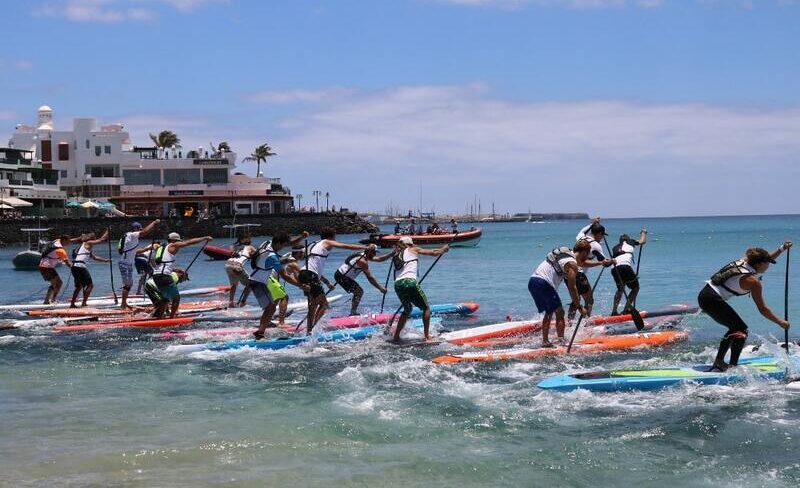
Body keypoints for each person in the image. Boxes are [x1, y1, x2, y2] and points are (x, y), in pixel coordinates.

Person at [698, 242, 792, 371]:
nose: (769, 265)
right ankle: (731, 366)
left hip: (705, 295)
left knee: (735, 328)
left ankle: (720, 362)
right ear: (759, 264)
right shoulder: (753, 282)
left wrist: (781, 249)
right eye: (767, 263)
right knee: (741, 330)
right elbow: (763, 309)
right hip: (712, 300)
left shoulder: (745, 261)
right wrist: (780, 322)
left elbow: (762, 258)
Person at [301, 228, 373, 333]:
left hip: (304, 274)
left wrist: (326, 282)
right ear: (331, 236)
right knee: (319, 304)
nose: (335, 239)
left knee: (317, 304)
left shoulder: (313, 244)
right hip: (310, 274)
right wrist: (366, 247)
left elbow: (304, 257)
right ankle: (309, 330)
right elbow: (346, 246)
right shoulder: (327, 241)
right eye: (335, 236)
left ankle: (310, 328)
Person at [528, 240, 591, 347]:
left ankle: (545, 341)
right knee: (560, 312)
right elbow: (572, 287)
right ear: (584, 252)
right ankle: (561, 341)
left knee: (550, 311)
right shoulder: (572, 264)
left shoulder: (566, 255)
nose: (587, 257)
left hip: (533, 282)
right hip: (544, 283)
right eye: (587, 254)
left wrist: (601, 263)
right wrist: (579, 306)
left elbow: (582, 263)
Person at [390, 236, 449, 342]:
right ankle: (427, 337)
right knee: (426, 308)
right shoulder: (413, 249)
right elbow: (433, 252)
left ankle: (396, 337)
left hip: (398, 284)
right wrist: (443, 249)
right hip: (410, 282)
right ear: (410, 244)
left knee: (407, 310)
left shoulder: (395, 255)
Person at [251, 232, 305, 340]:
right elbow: (285, 276)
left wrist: (302, 236)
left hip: (258, 279)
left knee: (271, 307)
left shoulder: (267, 243)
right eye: (283, 245)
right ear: (279, 243)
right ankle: (260, 333)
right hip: (258, 281)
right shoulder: (272, 257)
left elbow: (291, 243)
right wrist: (301, 285)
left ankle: (261, 331)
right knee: (271, 307)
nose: (284, 248)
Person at [151, 232, 213, 316]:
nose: (179, 244)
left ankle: (159, 318)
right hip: (164, 276)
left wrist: (175, 269)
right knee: (176, 298)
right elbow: (189, 242)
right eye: (178, 241)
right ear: (174, 240)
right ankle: (172, 318)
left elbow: (160, 263)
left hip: (156, 276)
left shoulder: (161, 248)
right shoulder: (173, 245)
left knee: (165, 299)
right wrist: (204, 238)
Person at [333, 245, 392, 316]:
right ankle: (353, 312)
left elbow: (379, 259)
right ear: (369, 252)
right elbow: (370, 278)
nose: (375, 254)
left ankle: (353, 311)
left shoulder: (363, 255)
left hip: (340, 275)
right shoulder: (362, 261)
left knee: (358, 291)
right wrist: (380, 288)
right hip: (342, 276)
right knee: (359, 292)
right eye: (374, 253)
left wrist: (391, 254)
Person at [573, 219, 613, 318]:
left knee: (576, 299)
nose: (603, 237)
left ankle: (570, 322)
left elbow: (584, 230)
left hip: (568, 271)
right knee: (589, 300)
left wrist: (593, 223)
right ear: (599, 234)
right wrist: (612, 261)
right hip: (579, 273)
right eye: (602, 235)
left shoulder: (581, 237)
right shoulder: (596, 246)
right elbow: (604, 262)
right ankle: (586, 322)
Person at [118, 220, 160, 309]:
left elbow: (135, 251)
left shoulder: (129, 237)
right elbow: (145, 232)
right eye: (139, 229)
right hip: (125, 263)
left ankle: (124, 303)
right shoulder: (132, 235)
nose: (140, 231)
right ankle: (123, 305)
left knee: (129, 284)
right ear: (135, 229)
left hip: (127, 263)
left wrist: (146, 249)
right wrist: (154, 223)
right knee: (127, 285)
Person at [69, 229, 111, 308]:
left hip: (74, 266)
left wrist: (105, 260)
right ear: (92, 239)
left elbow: (94, 257)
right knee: (90, 285)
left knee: (79, 286)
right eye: (95, 238)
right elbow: (101, 240)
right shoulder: (88, 243)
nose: (95, 240)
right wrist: (107, 231)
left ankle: (72, 304)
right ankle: (84, 303)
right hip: (80, 266)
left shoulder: (84, 246)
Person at [610, 229, 647, 315]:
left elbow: (621, 260)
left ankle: (614, 311)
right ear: (627, 239)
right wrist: (643, 233)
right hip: (625, 267)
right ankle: (626, 310)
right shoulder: (630, 241)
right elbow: (642, 241)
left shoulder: (615, 248)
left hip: (614, 268)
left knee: (620, 289)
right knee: (635, 288)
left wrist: (633, 276)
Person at [38, 235, 75, 304]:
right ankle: (50, 300)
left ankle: (49, 300)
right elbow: (68, 263)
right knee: (57, 284)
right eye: (68, 242)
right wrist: (75, 268)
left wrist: (79, 238)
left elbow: (70, 240)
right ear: (64, 240)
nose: (69, 244)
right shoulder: (61, 250)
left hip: (44, 266)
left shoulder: (57, 241)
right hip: (46, 267)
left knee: (57, 283)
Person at [276, 245, 305, 327]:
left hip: (269, 278)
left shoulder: (290, 256)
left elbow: (296, 276)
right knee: (284, 297)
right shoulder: (293, 262)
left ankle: (270, 319)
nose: (304, 255)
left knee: (275, 301)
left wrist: (301, 285)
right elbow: (301, 274)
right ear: (299, 253)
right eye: (303, 253)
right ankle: (281, 323)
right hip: (271, 278)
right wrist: (303, 285)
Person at [224, 236, 256, 307]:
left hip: (228, 264)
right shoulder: (250, 247)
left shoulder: (236, 247)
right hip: (236, 266)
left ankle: (231, 303)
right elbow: (258, 254)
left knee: (234, 284)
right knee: (251, 284)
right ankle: (243, 303)